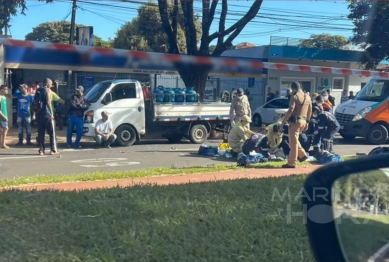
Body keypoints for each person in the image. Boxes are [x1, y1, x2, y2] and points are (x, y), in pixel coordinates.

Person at [278, 81, 312, 168]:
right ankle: (303, 155)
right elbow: (310, 110)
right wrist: (307, 122)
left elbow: (290, 110)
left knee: (293, 143)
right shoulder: (307, 96)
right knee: (295, 140)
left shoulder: (295, 97)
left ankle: (292, 163)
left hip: (295, 122)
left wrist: (282, 123)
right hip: (304, 121)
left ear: (293, 89)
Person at [36, 78, 59, 156]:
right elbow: (48, 102)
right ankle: (53, 150)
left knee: (41, 133)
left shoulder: (38, 90)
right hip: (47, 114)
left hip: (39, 114)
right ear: (48, 83)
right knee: (52, 133)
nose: (51, 85)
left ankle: (41, 150)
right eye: (51, 84)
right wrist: (52, 113)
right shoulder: (48, 90)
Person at [0, 85, 9, 149]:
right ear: (1, 89)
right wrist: (3, 116)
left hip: (4, 116)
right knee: (5, 129)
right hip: (2, 117)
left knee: (4, 130)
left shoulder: (4, 97)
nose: (6, 90)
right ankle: (3, 144)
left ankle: (2, 143)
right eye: (5, 89)